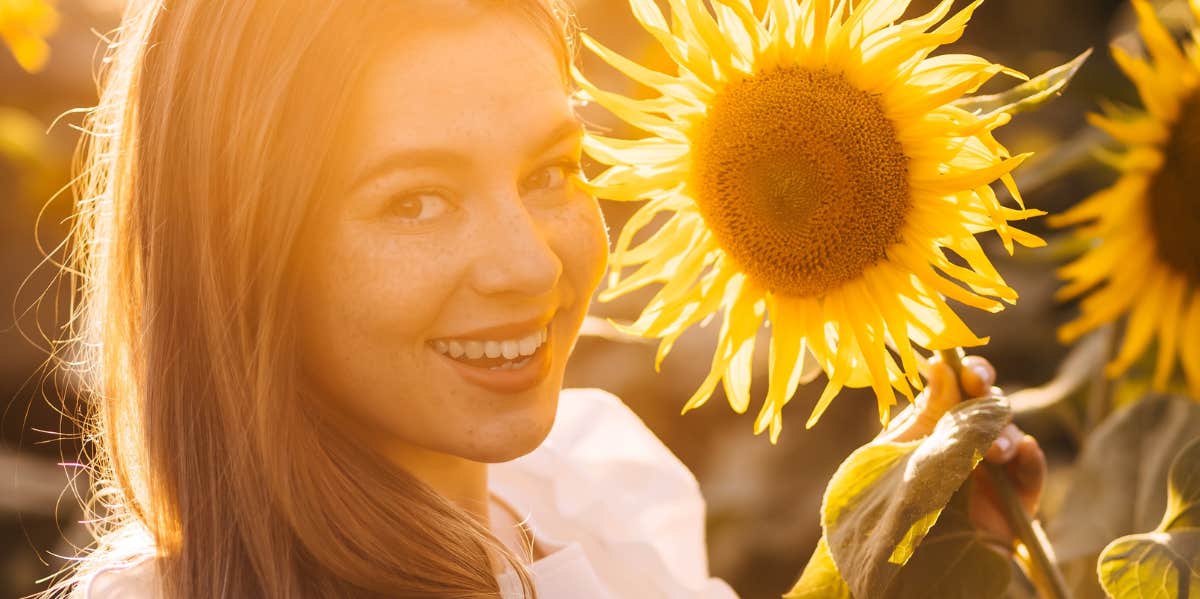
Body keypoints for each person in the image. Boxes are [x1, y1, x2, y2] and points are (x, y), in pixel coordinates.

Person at [45, 0, 1046, 597]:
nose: (530, 266)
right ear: (240, 252)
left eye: (551, 171)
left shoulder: (591, 496)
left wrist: (902, 549)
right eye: (417, 199)